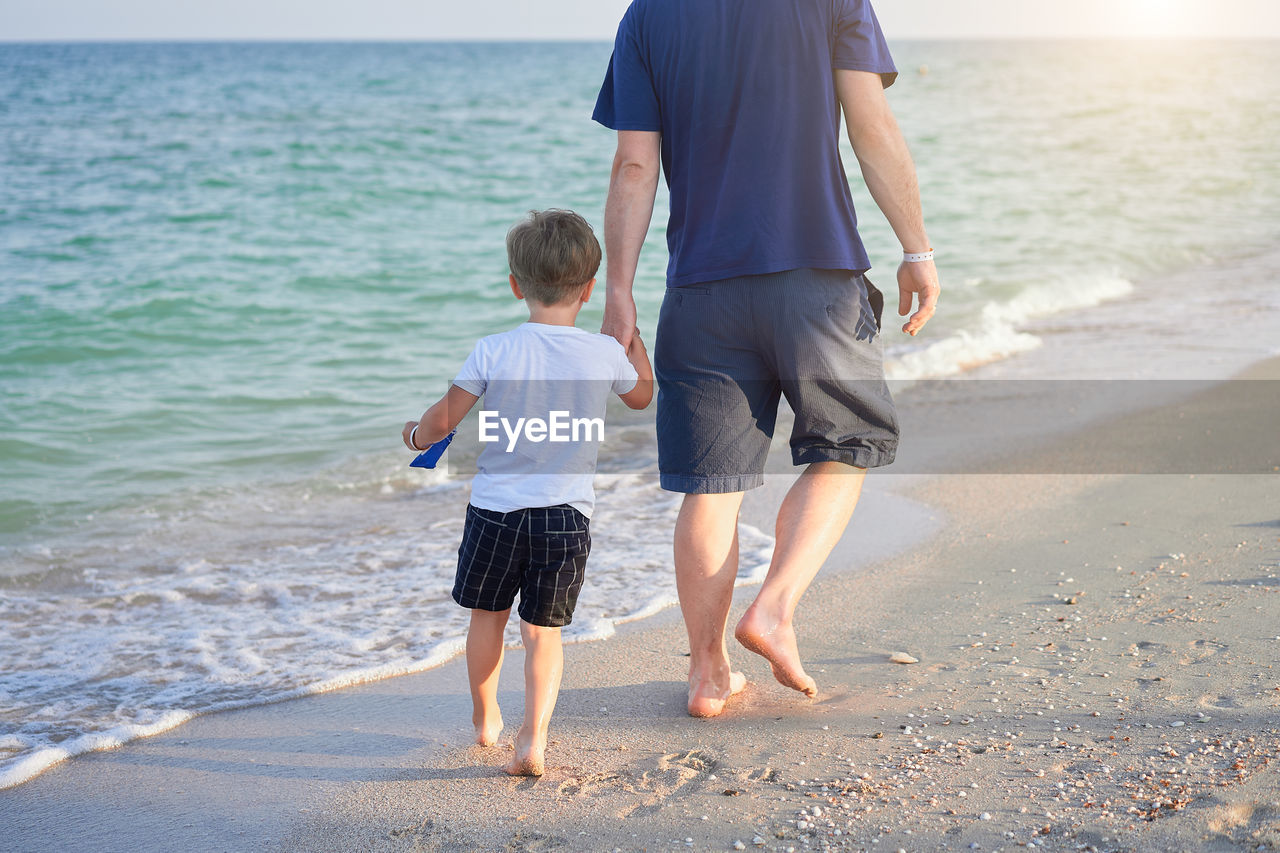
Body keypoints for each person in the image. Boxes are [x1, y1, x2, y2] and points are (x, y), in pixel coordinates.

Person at [593, 0, 940, 717]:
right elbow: (871, 127)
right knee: (847, 445)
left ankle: (708, 673)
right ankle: (774, 607)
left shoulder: (647, 17)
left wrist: (618, 294)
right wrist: (916, 248)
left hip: (701, 289)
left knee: (711, 486)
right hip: (815, 275)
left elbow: (634, 163)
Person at [402, 209, 654, 774]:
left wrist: (415, 435)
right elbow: (642, 397)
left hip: (495, 512)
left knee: (487, 616)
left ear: (517, 285)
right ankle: (533, 739)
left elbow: (444, 420)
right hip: (566, 517)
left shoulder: (493, 349)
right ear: (589, 290)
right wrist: (632, 342)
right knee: (544, 632)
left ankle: (485, 717)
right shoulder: (602, 352)